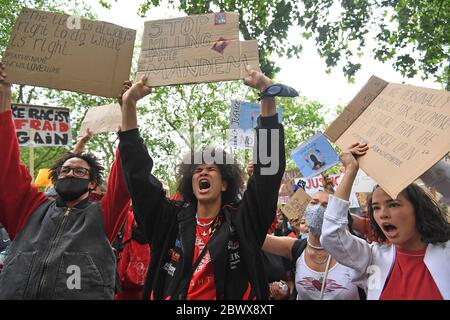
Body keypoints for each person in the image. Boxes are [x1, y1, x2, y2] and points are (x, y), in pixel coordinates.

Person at [117, 66, 286, 300]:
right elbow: (137, 177)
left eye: (211, 169)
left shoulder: (243, 222)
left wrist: (267, 94)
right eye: (197, 170)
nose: (202, 173)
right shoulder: (168, 221)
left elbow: (268, 173)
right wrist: (129, 104)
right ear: (190, 181)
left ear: (225, 184)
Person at [0, 62, 130, 299]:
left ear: (92, 184)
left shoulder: (102, 216)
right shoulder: (30, 209)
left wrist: (127, 111)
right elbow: (5, 163)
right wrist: (3, 94)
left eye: (80, 172)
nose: (70, 174)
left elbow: (125, 177)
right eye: (65, 170)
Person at [321, 142, 450, 300]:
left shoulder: (446, 253)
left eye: (393, 204)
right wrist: (350, 170)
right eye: (376, 207)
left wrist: (418, 156)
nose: (382, 214)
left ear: (418, 209)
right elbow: (331, 235)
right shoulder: (371, 258)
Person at [263, 190, 362, 300]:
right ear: (305, 212)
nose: (318, 208)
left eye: (326, 205)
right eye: (314, 203)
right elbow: (255, 237)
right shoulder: (294, 247)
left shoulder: (353, 249)